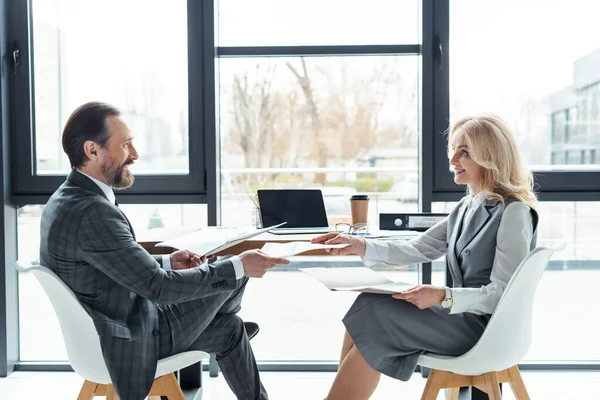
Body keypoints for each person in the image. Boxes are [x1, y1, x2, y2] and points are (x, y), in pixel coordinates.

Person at [40, 101, 289, 400]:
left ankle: (215, 319)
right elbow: (159, 288)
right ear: (92, 151)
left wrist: (167, 261)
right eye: (125, 145)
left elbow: (106, 265)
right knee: (234, 270)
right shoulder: (93, 211)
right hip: (132, 336)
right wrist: (238, 267)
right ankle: (212, 315)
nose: (135, 154)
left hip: (115, 323)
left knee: (230, 328)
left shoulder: (67, 197)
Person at [312, 114, 539, 399]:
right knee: (368, 304)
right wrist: (358, 244)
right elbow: (417, 248)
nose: (453, 159)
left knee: (377, 316)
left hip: (484, 330)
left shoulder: (513, 212)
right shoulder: (467, 206)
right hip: (459, 319)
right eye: (454, 149)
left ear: (490, 157)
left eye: (465, 152)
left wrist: (444, 295)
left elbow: (504, 295)